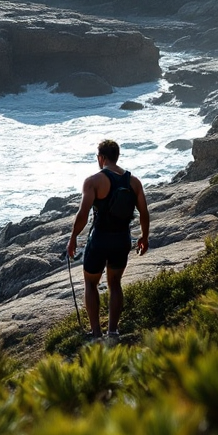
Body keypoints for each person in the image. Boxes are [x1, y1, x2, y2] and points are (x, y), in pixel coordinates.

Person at [65, 139, 149, 339]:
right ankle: (113, 332)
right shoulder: (134, 182)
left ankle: (96, 334)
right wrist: (144, 237)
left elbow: (83, 214)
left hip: (100, 240)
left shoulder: (93, 181)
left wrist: (73, 238)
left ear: (101, 158)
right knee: (115, 283)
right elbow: (144, 212)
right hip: (121, 240)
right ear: (117, 156)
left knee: (91, 284)